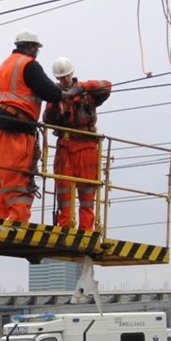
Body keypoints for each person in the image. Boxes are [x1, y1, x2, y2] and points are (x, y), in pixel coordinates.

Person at [0, 30, 78, 223]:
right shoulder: (29, 65)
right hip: (18, 133)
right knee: (18, 181)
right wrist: (68, 93)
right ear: (30, 47)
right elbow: (50, 92)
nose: (36, 53)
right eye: (36, 49)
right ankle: (18, 223)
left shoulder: (4, 65)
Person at [43, 56, 111, 231]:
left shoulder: (87, 93)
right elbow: (47, 119)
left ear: (72, 74)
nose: (64, 79)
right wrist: (56, 101)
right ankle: (64, 228)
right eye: (60, 77)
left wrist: (82, 88)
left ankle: (86, 230)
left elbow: (107, 86)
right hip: (66, 146)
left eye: (66, 76)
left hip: (87, 147)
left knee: (87, 193)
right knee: (64, 192)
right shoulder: (54, 96)